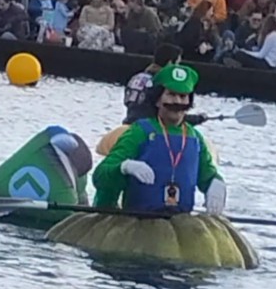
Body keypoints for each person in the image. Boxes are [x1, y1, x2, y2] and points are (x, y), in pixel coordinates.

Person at [92, 64, 226, 216]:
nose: (177, 101)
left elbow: (208, 174)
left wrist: (216, 183)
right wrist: (123, 167)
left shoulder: (194, 137)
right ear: (157, 99)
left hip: (181, 220)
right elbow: (100, 175)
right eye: (171, 95)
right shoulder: (139, 131)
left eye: (183, 96)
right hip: (138, 220)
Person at [123, 42, 207, 126]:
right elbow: (167, 113)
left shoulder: (136, 77)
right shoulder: (160, 83)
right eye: (178, 64)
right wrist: (197, 119)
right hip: (149, 128)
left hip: (128, 124)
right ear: (170, 63)